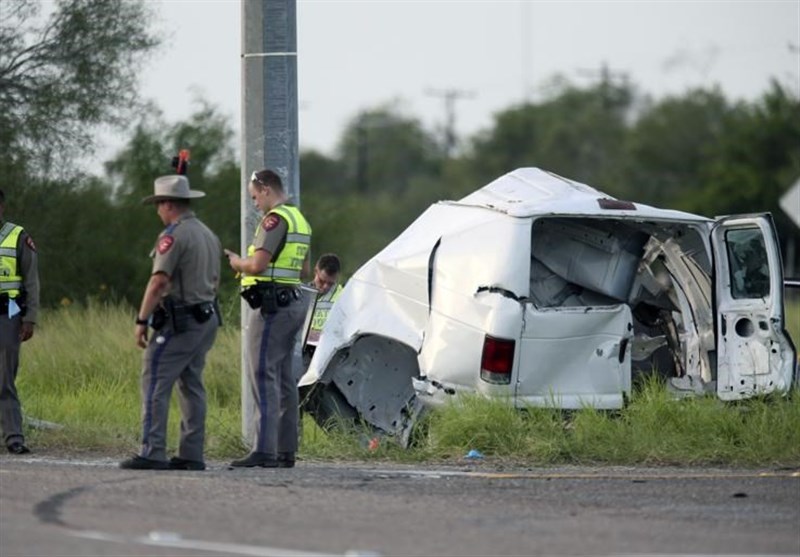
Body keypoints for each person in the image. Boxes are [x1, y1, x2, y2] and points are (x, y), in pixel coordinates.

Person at [119, 175, 222, 471]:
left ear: (168, 204)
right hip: (207, 318)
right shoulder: (207, 234)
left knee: (154, 380)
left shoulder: (173, 236)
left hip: (182, 321)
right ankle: (191, 453)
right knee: (191, 384)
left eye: (158, 205)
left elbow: (159, 281)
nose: (157, 211)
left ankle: (152, 450)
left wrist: (142, 319)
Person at [224, 169, 311, 468]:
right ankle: (285, 450)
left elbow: (259, 264)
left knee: (262, 374)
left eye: (254, 197)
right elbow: (304, 270)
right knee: (284, 377)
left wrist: (238, 262)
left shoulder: (275, 220)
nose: (255, 204)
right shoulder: (300, 220)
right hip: (293, 304)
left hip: (272, 309)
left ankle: (264, 450)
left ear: (265, 189)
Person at [0, 189, 40, 455]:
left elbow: (32, 280)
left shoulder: (17, 236)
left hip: (8, 316)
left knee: (4, 379)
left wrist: (30, 319)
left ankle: (14, 437)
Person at [302, 253, 344, 365]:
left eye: (330, 283)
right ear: (316, 271)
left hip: (325, 356)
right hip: (302, 351)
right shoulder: (302, 293)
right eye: (321, 281)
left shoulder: (343, 297)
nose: (325, 287)